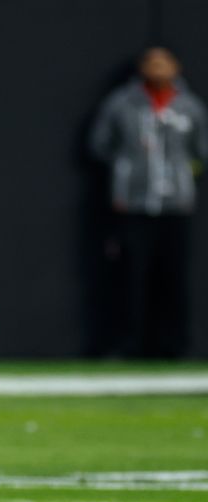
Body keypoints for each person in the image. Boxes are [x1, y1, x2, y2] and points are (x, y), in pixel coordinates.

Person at [89, 47, 207, 359]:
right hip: (132, 204)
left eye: (164, 61)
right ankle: (126, 345)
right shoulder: (122, 104)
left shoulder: (190, 107)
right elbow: (100, 144)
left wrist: (184, 175)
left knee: (173, 278)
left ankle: (174, 346)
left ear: (176, 66)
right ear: (142, 67)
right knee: (129, 278)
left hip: (176, 205)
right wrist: (127, 171)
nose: (159, 67)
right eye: (152, 62)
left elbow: (201, 151)